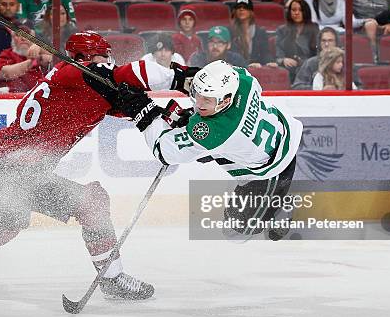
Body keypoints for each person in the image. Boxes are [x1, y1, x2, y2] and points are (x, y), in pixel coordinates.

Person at [0, 31, 198, 296]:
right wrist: (184, 78)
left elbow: (133, 104)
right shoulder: (76, 73)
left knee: (7, 221)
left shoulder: (84, 83)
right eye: (102, 56)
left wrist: (172, 115)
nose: (108, 61)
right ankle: (112, 278)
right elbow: (133, 74)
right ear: (86, 57)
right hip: (12, 169)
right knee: (91, 202)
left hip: (5, 166)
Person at [115, 59, 303, 238]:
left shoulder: (216, 131)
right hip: (281, 131)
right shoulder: (244, 82)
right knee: (206, 149)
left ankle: (281, 208)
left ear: (225, 101)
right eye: (198, 95)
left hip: (275, 168)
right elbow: (222, 74)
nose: (199, 103)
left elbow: (164, 152)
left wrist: (143, 111)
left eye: (207, 100)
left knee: (239, 225)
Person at [0, 27, 52, 92]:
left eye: (27, 35)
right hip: (12, 98)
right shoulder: (7, 54)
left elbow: (56, 62)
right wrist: (33, 62)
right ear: (12, 39)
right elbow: (4, 73)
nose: (23, 38)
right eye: (18, 35)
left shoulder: (41, 52)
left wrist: (41, 49)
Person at [276, 0, 319, 83]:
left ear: (305, 12)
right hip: (289, 69)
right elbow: (278, 53)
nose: (296, 13)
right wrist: (283, 60)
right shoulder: (282, 30)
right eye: (294, 10)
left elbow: (318, 53)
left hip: (308, 69)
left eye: (300, 10)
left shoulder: (313, 28)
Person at [229, 0, 276, 68]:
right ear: (235, 11)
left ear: (251, 12)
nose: (241, 9)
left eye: (245, 7)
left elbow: (265, 53)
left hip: (255, 68)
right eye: (238, 7)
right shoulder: (229, 31)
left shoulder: (260, 32)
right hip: (236, 68)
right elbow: (228, 54)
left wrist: (270, 62)